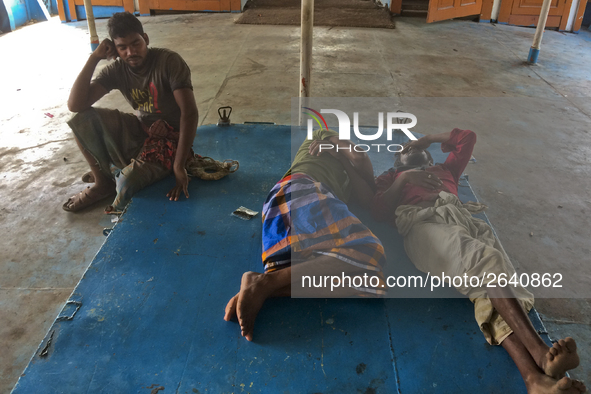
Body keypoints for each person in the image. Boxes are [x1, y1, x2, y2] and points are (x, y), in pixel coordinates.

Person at [372, 128, 586, 394]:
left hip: (462, 222)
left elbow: (467, 138)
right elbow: (379, 209)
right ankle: (541, 352)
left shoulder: (445, 170)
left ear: (429, 157)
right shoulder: (392, 177)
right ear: (396, 162)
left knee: (491, 292)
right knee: (490, 262)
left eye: (417, 148)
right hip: (423, 224)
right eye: (404, 151)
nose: (411, 149)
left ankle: (534, 380)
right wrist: (404, 179)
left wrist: (427, 139)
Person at [224, 128, 386, 341]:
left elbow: (368, 195)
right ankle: (268, 283)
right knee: (370, 252)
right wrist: (338, 146)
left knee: (371, 282)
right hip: (300, 192)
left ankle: (264, 286)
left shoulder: (343, 173)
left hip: (288, 213)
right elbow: (360, 155)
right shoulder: (320, 137)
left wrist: (346, 162)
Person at [63, 12, 198, 212]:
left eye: (136, 43)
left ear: (145, 39)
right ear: (115, 50)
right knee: (82, 119)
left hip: (171, 141)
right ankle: (103, 183)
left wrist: (179, 166)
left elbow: (189, 113)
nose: (130, 52)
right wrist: (94, 58)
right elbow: (76, 105)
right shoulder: (118, 69)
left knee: (125, 184)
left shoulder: (168, 62)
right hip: (141, 130)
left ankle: (116, 173)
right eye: (122, 47)